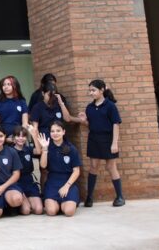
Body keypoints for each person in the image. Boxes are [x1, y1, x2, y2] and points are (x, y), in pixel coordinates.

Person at [72, 79, 125, 207]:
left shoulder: (110, 106)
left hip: (107, 139)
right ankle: (89, 198)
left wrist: (114, 143)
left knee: (111, 167)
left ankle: (120, 197)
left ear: (102, 90)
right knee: (93, 167)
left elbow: (116, 124)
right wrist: (84, 121)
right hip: (94, 139)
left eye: (93, 90)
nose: (91, 93)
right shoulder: (89, 107)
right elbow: (91, 125)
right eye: (89, 90)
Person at [38, 121, 82, 216]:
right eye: (52, 131)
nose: (55, 133)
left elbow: (76, 171)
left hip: (68, 182)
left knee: (68, 212)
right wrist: (44, 149)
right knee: (51, 211)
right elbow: (43, 166)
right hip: (52, 182)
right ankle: (58, 203)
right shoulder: (47, 146)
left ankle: (68, 202)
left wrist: (66, 186)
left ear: (63, 132)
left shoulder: (71, 148)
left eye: (58, 130)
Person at [11, 126, 43, 215]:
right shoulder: (10, 151)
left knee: (39, 210)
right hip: (17, 183)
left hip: (29, 181)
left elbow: (38, 151)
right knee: (26, 211)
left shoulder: (28, 149)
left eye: (23, 136)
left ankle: (29, 200)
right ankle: (24, 202)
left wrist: (34, 136)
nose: (21, 138)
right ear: (13, 138)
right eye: (18, 136)